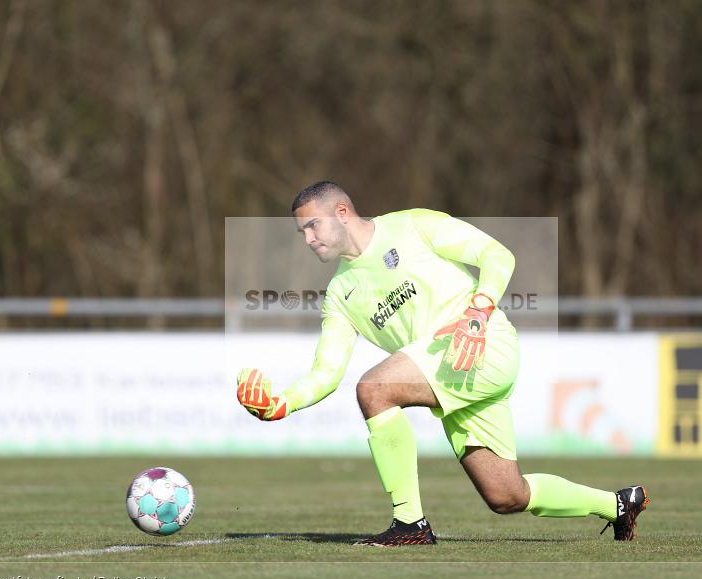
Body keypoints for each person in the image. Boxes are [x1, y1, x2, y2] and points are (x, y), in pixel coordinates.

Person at [236, 181, 649, 546]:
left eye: (313, 225)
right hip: (450, 374)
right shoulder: (340, 293)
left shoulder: (412, 225)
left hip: (485, 347)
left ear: (342, 212)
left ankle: (409, 523)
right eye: (302, 232)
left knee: (375, 389)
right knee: (507, 495)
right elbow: (326, 372)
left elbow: (496, 254)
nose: (308, 239)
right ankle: (617, 505)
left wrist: (478, 312)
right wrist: (282, 404)